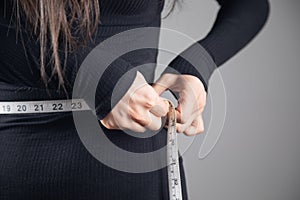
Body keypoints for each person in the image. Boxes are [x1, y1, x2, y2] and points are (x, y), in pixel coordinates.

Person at [0, 0, 269, 199]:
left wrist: (196, 66)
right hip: (21, 160)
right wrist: (99, 76)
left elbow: (251, 5)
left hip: (136, 165)